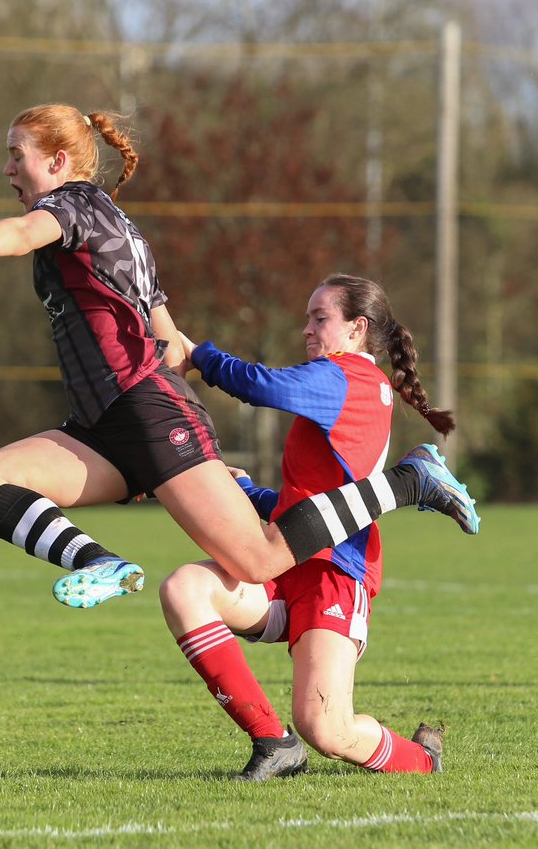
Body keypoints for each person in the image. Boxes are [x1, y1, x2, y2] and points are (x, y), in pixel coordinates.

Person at [0, 103, 478, 610]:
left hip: (148, 416)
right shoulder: (112, 228)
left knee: (258, 560)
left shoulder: (76, 205)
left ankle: (407, 482)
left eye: (15, 153)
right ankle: (102, 564)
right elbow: (170, 343)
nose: (7, 168)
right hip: (104, 425)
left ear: (57, 162)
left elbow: (21, 236)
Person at [160, 274, 457, 781]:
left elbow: (262, 385)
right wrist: (250, 492)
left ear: (357, 329)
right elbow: (311, 502)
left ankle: (421, 759)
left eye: (320, 319)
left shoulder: (351, 379)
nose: (307, 330)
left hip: (331, 573)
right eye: (308, 319)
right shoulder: (350, 382)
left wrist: (200, 355)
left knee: (327, 729)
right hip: (282, 560)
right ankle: (273, 743)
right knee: (185, 588)